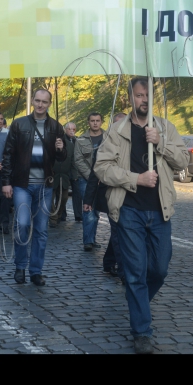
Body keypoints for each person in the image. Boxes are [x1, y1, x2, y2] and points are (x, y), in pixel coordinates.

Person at [94, 79, 189, 355]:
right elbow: (102, 168)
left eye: (147, 95)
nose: (144, 100)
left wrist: (160, 144)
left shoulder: (165, 127)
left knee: (159, 268)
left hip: (160, 210)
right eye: (139, 95)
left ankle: (139, 305)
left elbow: (182, 161)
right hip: (129, 210)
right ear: (130, 98)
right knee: (135, 272)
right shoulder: (117, 131)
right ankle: (142, 331)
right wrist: (136, 178)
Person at [2, 89, 67, 287]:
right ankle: (20, 266)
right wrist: (6, 182)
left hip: (45, 186)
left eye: (44, 102)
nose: (40, 105)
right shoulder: (19, 124)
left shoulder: (56, 126)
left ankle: (36, 271)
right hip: (22, 184)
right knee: (22, 225)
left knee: (41, 230)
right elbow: (8, 154)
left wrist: (61, 148)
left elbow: (62, 159)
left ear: (49, 103)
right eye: (37, 101)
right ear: (32, 101)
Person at [84, 113, 128, 281]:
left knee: (122, 231)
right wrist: (88, 200)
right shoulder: (105, 144)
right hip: (110, 195)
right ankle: (124, 272)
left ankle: (109, 261)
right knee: (118, 232)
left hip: (130, 195)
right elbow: (95, 173)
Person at [75, 112, 107, 251]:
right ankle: (88, 241)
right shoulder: (81, 139)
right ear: (88, 122)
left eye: (97, 120)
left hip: (104, 179)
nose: (95, 123)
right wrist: (92, 177)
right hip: (85, 179)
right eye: (92, 120)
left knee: (97, 210)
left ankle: (92, 239)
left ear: (101, 122)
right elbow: (78, 160)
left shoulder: (108, 137)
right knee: (89, 209)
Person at [50, 120, 77, 230]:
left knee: (64, 198)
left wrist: (74, 175)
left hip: (64, 176)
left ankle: (59, 215)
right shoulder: (49, 144)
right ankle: (53, 218)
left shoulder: (70, 145)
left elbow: (73, 161)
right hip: (51, 176)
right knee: (49, 199)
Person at [63, 123, 83, 222]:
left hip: (76, 172)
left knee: (78, 194)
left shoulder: (78, 140)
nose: (71, 131)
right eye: (69, 129)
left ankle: (78, 215)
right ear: (65, 129)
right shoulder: (61, 140)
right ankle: (62, 214)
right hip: (64, 171)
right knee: (63, 194)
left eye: (73, 129)